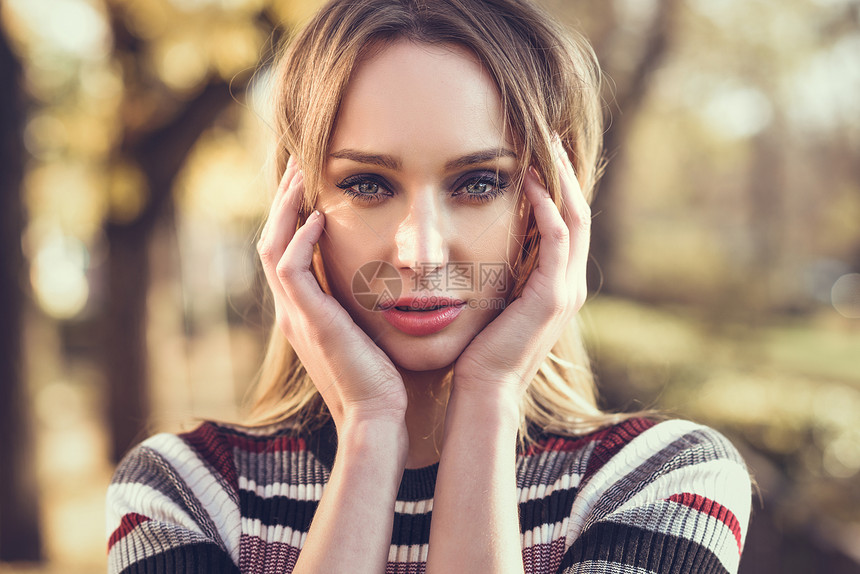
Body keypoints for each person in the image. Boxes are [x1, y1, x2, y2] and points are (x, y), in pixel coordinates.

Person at [106, 0, 752, 572]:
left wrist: (489, 398)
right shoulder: (184, 495)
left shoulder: (663, 482)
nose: (419, 252)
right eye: (367, 184)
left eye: (478, 183)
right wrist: (369, 428)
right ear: (296, 210)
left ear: (553, 210)